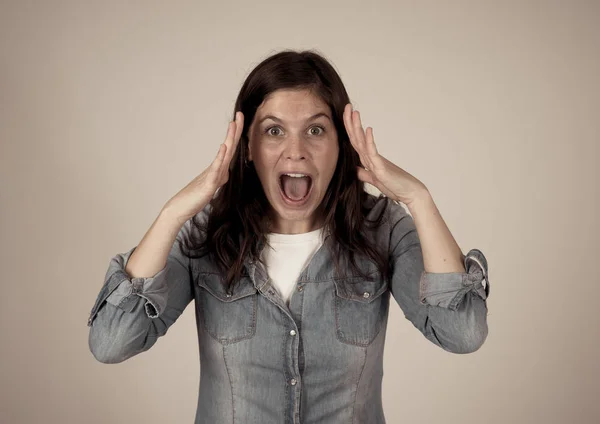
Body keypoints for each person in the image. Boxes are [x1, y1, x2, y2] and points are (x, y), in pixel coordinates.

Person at [87, 49, 490, 424]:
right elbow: (112, 342)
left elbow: (462, 333)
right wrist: (172, 213)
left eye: (315, 129)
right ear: (247, 147)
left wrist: (418, 199)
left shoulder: (382, 228)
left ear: (342, 145)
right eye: (274, 131)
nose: (295, 151)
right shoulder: (206, 231)